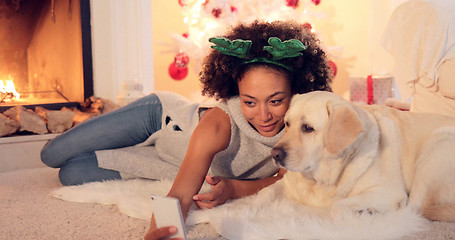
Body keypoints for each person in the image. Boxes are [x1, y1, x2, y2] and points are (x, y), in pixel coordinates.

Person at [40, 20, 332, 239]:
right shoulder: (219, 123)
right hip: (160, 119)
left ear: (297, 92)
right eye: (249, 101)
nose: (264, 114)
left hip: (166, 159)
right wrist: (160, 235)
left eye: (276, 100)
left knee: (71, 173)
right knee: (52, 155)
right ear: (236, 94)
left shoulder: (301, 132)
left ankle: (132, 150)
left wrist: (235, 188)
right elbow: (179, 197)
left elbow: (284, 181)